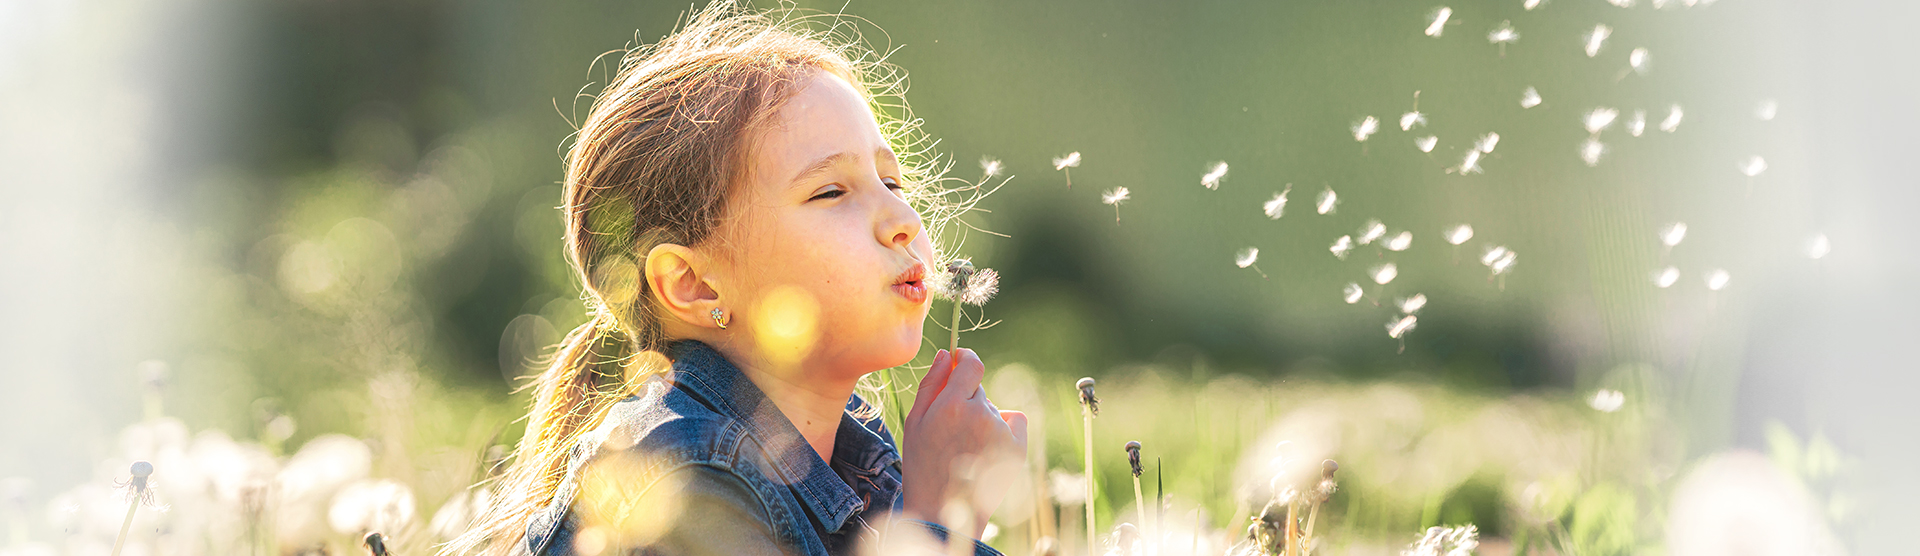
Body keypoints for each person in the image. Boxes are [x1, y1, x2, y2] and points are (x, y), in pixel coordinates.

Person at [444, 2, 1028, 555]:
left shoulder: (854, 458)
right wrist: (942, 517)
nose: (903, 220)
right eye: (831, 191)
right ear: (694, 285)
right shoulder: (687, 473)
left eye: (892, 183)